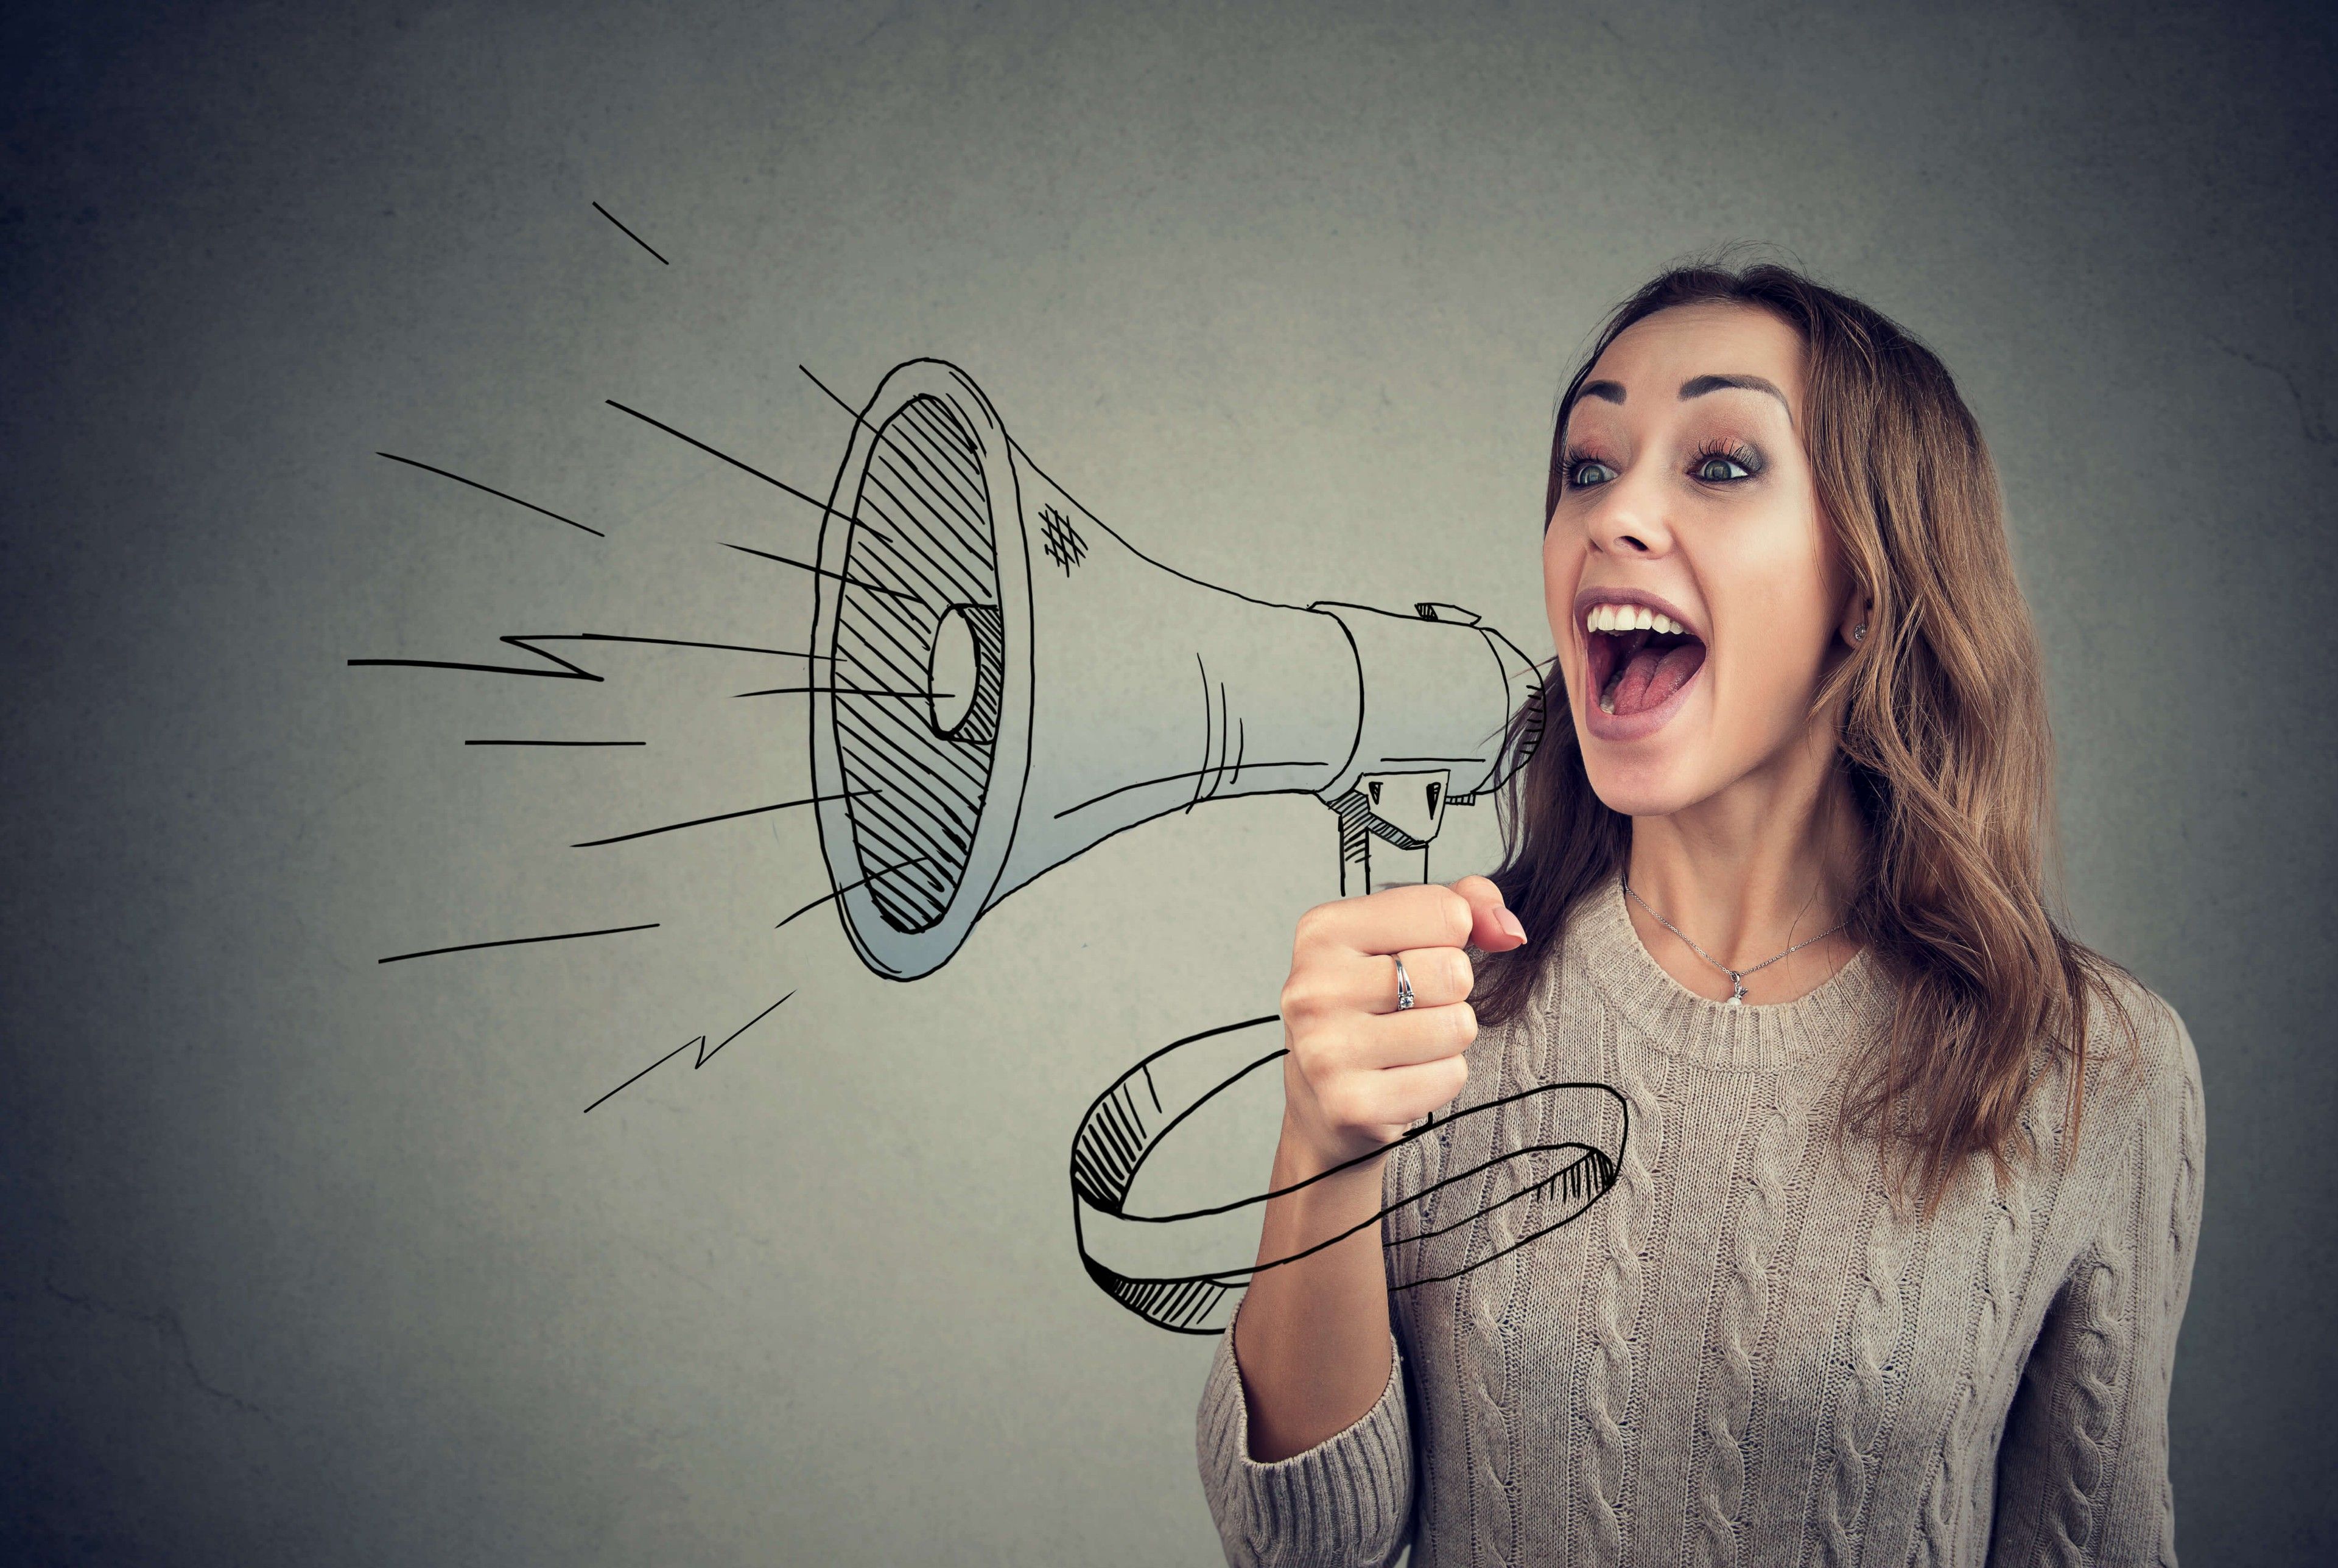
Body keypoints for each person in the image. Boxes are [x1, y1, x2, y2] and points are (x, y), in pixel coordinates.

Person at [1195, 252, 2205, 1567]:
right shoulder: (1444, 999)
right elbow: (1299, 1546)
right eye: (1588, 467)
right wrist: (1321, 1145)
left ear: (1867, 588)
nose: (1616, 514)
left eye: (1722, 461)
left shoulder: (2091, 1065)